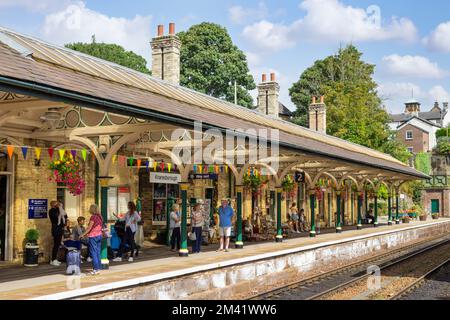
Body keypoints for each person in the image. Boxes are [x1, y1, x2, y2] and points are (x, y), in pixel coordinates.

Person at [79, 204, 103, 275]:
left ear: (91, 209)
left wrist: (82, 234)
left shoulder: (93, 217)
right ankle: (98, 268)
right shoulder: (100, 217)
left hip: (93, 236)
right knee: (98, 252)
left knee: (93, 253)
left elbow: (89, 228)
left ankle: (95, 269)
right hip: (99, 235)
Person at [48, 201, 68, 266]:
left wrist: (61, 208)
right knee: (56, 245)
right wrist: (59, 209)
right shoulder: (52, 211)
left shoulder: (59, 210)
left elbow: (65, 216)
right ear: (53, 205)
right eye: (56, 204)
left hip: (60, 229)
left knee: (57, 244)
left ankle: (54, 259)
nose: (58, 205)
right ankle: (53, 259)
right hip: (56, 229)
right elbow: (56, 218)